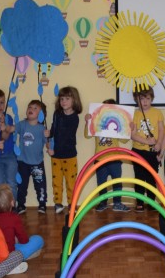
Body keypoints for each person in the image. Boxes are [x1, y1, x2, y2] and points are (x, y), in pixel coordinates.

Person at [84, 98, 131, 213]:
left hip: (114, 159)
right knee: (101, 183)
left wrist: (129, 127)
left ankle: (117, 203)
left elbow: (125, 140)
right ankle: (103, 203)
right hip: (100, 159)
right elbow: (87, 135)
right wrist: (87, 122)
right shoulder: (97, 123)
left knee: (117, 182)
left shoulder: (117, 125)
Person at [48, 86, 81, 214]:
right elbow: (54, 130)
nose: (63, 101)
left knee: (71, 182)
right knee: (56, 181)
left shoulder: (75, 117)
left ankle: (72, 204)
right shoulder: (57, 114)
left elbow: (66, 136)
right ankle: (58, 203)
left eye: (67, 99)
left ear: (74, 100)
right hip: (55, 155)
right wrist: (49, 142)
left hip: (70, 155)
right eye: (62, 99)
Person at [130, 86, 164, 212]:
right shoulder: (134, 114)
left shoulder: (157, 113)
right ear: (136, 99)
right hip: (138, 151)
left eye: (148, 98)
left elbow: (161, 130)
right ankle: (139, 202)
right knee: (139, 178)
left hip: (152, 152)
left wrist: (158, 143)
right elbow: (132, 135)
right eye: (141, 99)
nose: (145, 102)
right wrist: (147, 141)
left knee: (151, 178)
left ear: (152, 99)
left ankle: (151, 202)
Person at [0, 184, 44, 260]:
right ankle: (18, 260)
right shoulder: (13, 217)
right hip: (10, 255)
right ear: (12, 202)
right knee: (38, 239)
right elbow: (24, 240)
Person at [15, 99, 50, 214]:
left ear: (41, 115)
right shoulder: (22, 124)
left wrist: (49, 138)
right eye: (30, 107)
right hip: (22, 162)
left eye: (35, 108)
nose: (31, 109)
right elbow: (12, 129)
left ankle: (42, 204)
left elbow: (48, 144)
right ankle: (21, 205)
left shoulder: (42, 129)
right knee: (21, 185)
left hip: (37, 163)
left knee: (40, 185)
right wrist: (5, 126)